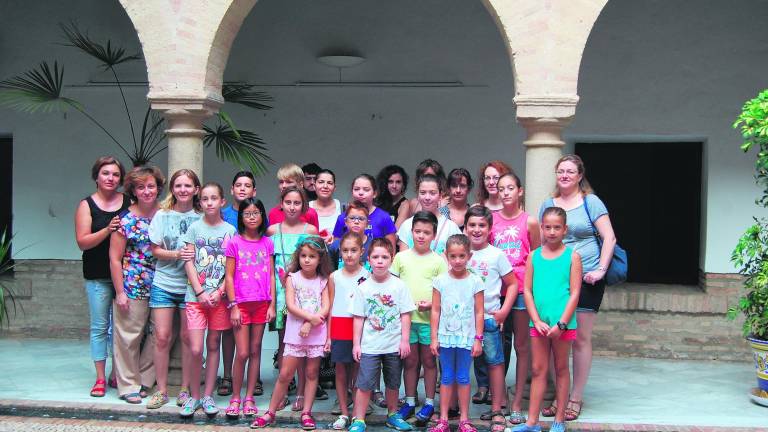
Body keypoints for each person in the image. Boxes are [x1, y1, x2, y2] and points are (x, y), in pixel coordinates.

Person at [538, 154, 616, 421]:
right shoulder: (548, 204)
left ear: (580, 175)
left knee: (580, 339)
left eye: (570, 171)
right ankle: (558, 397)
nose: (565, 175)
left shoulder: (590, 202)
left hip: (588, 279)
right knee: (553, 336)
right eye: (561, 171)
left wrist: (601, 270)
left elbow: (609, 237)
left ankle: (575, 398)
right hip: (557, 281)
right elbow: (543, 244)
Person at [251, 235, 332, 430]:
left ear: (320, 259)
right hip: (295, 334)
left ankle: (306, 412)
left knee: (312, 373)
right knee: (285, 373)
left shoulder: (323, 280)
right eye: (303, 255)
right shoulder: (292, 278)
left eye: (312, 256)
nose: (306, 260)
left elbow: (326, 306)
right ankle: (270, 412)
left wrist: (312, 323)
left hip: (315, 334)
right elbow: (290, 305)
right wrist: (309, 319)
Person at [511, 207, 581, 432]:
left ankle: (559, 419)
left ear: (565, 229)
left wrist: (562, 323)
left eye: (557, 227)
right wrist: (536, 319)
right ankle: (532, 422)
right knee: (538, 369)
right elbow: (528, 291)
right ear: (541, 228)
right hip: (538, 324)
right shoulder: (534, 256)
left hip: (563, 324)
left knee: (560, 368)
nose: (552, 231)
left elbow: (575, 293)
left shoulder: (573, 257)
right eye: (547, 227)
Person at [146, 169, 202, 409]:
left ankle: (184, 389)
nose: (183, 190)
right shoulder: (162, 215)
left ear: (196, 189)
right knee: (161, 337)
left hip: (191, 287)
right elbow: (155, 250)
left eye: (188, 185)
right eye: (178, 185)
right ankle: (161, 390)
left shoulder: (201, 216)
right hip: (164, 283)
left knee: (189, 338)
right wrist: (177, 254)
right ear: (172, 189)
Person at [179, 182, 236, 417]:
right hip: (196, 298)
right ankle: (193, 396)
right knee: (195, 348)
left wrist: (220, 291)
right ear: (199, 202)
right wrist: (200, 292)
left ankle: (208, 395)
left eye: (214, 198)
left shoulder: (230, 230)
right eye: (205, 199)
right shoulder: (193, 229)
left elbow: (231, 269)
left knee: (213, 345)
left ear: (222, 201)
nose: (209, 202)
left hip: (219, 300)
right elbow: (188, 261)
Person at [108, 165, 164, 404]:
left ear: (158, 188)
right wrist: (120, 292)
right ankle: (128, 384)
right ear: (133, 190)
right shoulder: (124, 220)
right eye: (141, 187)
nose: (147, 191)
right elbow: (114, 258)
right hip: (133, 284)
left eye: (151, 186)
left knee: (161, 335)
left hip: (163, 284)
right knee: (129, 336)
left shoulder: (166, 214)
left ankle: (144, 379)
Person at [75, 156, 130, 397]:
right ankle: (99, 378)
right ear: (96, 176)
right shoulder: (87, 205)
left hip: (126, 276)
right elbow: (83, 242)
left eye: (115, 174)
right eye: (106, 173)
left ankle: (118, 374)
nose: (111, 178)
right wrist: (107, 229)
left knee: (121, 329)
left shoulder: (129, 202)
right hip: (97, 275)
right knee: (100, 327)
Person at [348, 238, 415, 432]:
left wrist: (404, 340)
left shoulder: (399, 286)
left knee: (393, 382)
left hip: (394, 346)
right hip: (370, 346)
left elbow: (405, 315)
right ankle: (358, 419)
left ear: (391, 260)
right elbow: (359, 318)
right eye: (375, 257)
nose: (380, 261)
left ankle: (392, 415)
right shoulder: (363, 288)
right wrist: (356, 344)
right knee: (365, 383)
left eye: (384, 257)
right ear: (368, 259)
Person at [491, 172, 540, 424]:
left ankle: (518, 400)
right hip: (494, 292)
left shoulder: (529, 222)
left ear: (520, 191)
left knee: (522, 346)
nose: (506, 192)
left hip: (520, 290)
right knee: (496, 348)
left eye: (511, 188)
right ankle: (497, 401)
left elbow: (536, 256)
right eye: (502, 188)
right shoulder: (491, 220)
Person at [463, 206, 516, 431]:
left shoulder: (497, 255)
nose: (476, 230)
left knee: (495, 364)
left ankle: (497, 410)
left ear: (490, 228)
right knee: (459, 365)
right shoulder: (458, 253)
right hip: (462, 321)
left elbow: (513, 284)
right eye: (472, 225)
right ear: (464, 228)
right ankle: (457, 409)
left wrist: (504, 310)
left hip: (489, 320)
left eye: (481, 225)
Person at [266, 187, 319, 411]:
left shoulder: (310, 229)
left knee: (304, 344)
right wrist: (271, 302)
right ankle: (285, 390)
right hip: (280, 295)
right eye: (288, 202)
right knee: (285, 345)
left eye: (297, 203)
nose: (292, 207)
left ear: (303, 205)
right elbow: (269, 270)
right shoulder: (271, 231)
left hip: (305, 296)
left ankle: (300, 393)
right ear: (281, 203)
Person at [393, 211, 448, 424]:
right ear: (410, 233)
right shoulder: (400, 258)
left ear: (434, 235)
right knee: (410, 362)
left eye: (426, 232)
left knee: (429, 361)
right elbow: (393, 286)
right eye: (417, 231)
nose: (421, 236)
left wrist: (432, 305)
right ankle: (409, 400)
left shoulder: (438, 261)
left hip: (429, 322)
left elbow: (445, 291)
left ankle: (429, 403)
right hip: (406, 321)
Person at [224, 197, 275, 419]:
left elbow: (272, 274)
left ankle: (249, 398)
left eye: (256, 213)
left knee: (255, 351)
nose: (252, 217)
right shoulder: (234, 242)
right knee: (242, 352)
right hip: (241, 304)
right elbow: (228, 276)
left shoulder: (267, 243)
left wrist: (272, 303)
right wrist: (233, 306)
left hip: (262, 304)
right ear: (241, 218)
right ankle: (235, 397)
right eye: (247, 214)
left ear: (262, 216)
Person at [428, 234, 484, 432]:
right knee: (446, 377)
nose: (458, 260)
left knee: (463, 377)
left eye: (462, 256)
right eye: (453, 256)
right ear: (447, 256)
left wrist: (478, 339)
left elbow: (479, 312)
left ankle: (464, 419)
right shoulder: (440, 281)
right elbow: (435, 310)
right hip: (445, 337)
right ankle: (443, 419)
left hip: (466, 338)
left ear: (469, 256)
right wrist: (434, 338)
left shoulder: (476, 281)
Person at [326, 231, 370, 429]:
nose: (349, 254)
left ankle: (357, 413)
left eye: (354, 250)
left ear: (361, 252)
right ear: (340, 253)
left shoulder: (367, 275)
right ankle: (344, 412)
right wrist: (328, 337)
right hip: (340, 325)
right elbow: (330, 306)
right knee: (342, 370)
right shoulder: (334, 277)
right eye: (345, 250)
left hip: (361, 327)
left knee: (358, 370)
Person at [219, 171, 258, 397]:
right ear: (232, 189)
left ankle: (254, 379)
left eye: (248, 186)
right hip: (228, 284)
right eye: (239, 185)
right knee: (228, 332)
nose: (243, 189)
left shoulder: (259, 217)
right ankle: (227, 375)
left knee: (252, 339)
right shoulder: (223, 216)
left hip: (252, 288)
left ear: (254, 191)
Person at [398, 175, 461, 255]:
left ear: (440, 196)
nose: (427, 197)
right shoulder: (407, 225)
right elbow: (402, 261)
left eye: (432, 193)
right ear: (418, 195)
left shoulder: (451, 228)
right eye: (423, 193)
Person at [332, 174, 397, 248]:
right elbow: (335, 249)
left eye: (366, 189)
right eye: (356, 189)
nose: (360, 193)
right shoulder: (342, 218)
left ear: (375, 193)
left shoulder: (384, 217)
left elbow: (391, 250)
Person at [267, 163, 320, 230]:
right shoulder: (273, 213)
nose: (284, 186)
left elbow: (315, 239)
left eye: (289, 182)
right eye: (281, 182)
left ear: (301, 184)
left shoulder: (311, 213)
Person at [328, 201, 373, 271]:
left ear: (367, 223)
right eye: (352, 218)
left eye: (361, 219)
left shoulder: (374, 246)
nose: (356, 222)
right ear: (345, 222)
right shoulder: (335, 246)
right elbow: (330, 273)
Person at [308, 169, 341, 240]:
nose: (325, 186)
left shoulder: (342, 207)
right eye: (321, 182)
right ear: (314, 186)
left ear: (334, 188)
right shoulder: (306, 208)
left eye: (329, 183)